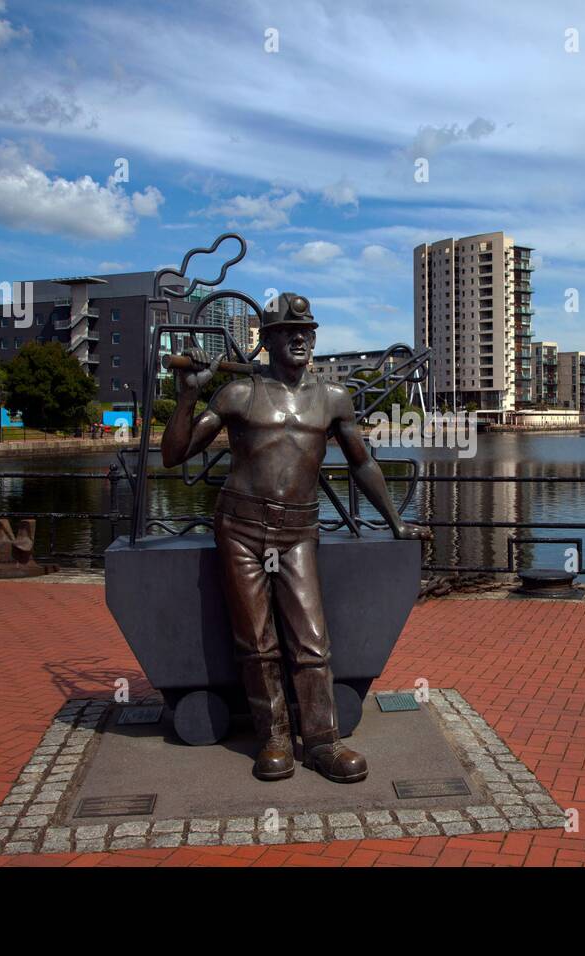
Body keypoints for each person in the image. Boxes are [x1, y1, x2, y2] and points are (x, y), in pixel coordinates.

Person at [160, 292, 430, 783]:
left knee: (311, 640)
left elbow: (362, 462)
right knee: (257, 642)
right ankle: (275, 737)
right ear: (268, 341)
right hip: (240, 528)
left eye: (307, 330)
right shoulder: (238, 394)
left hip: (299, 529)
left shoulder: (332, 399)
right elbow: (173, 455)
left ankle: (324, 741)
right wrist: (187, 395)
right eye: (288, 331)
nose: (301, 337)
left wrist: (395, 521)